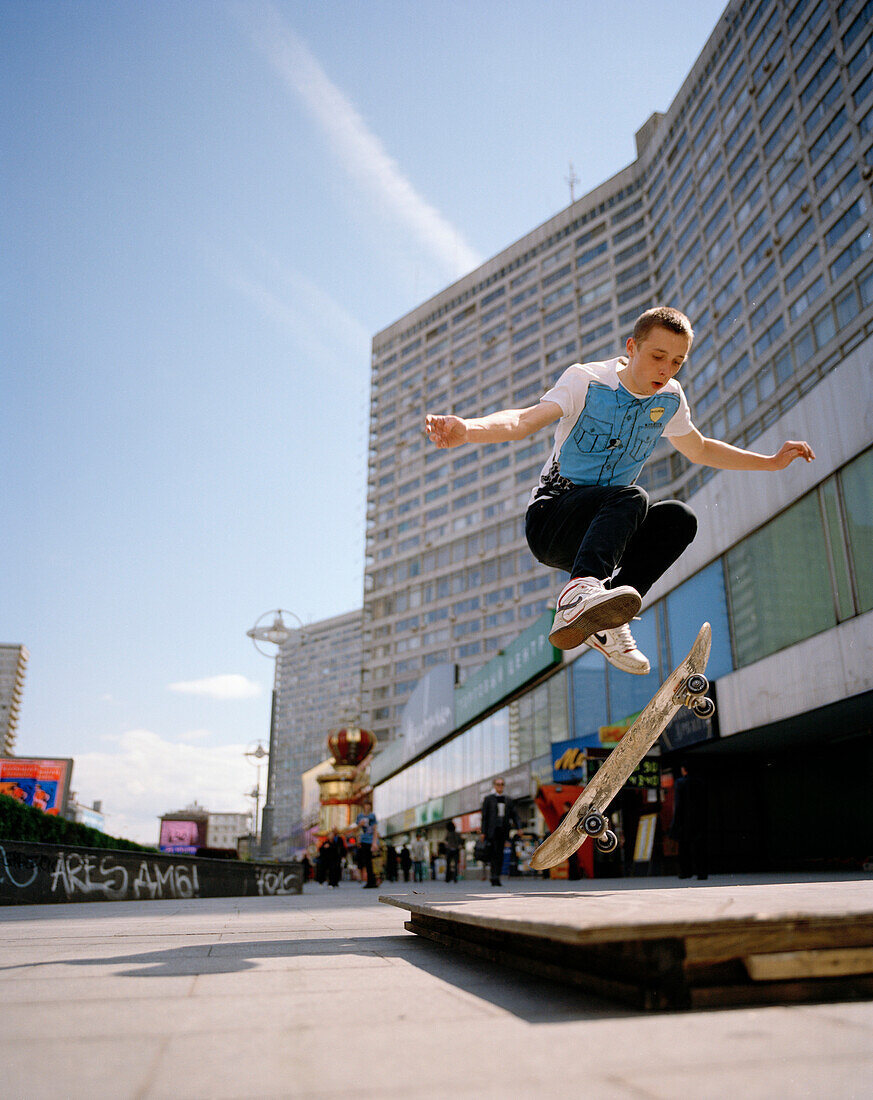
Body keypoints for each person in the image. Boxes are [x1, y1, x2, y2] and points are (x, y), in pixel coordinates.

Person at [425, 306, 814, 674]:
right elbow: (524, 421)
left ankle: (608, 621)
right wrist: (468, 429)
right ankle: (577, 596)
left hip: (602, 533)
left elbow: (699, 448)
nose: (666, 370)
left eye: (677, 362)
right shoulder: (587, 381)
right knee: (633, 497)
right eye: (657, 357)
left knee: (679, 518)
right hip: (552, 520)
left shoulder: (670, 400)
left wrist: (770, 461)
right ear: (632, 348)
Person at [670, 762, 709, 880]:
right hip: (699, 819)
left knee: (684, 848)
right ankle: (702, 872)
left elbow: (679, 805)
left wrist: (675, 823)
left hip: (684, 821)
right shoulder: (701, 782)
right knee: (699, 847)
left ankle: (686, 872)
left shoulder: (680, 783)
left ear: (684, 770)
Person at [480, 777, 520, 886]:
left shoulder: (508, 800)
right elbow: (484, 817)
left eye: (502, 784)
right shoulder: (488, 799)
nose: (500, 786)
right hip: (491, 831)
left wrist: (519, 827)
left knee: (500, 854)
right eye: (498, 784)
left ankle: (497, 876)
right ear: (494, 786)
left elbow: (514, 815)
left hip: (503, 830)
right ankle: (493, 876)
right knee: (493, 853)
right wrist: (483, 832)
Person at [353, 809, 380, 889]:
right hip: (364, 842)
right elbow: (356, 830)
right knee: (367, 862)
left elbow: (375, 830)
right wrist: (358, 840)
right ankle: (370, 881)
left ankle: (374, 880)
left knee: (374, 862)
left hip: (371, 842)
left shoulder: (372, 817)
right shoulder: (360, 817)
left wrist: (374, 843)